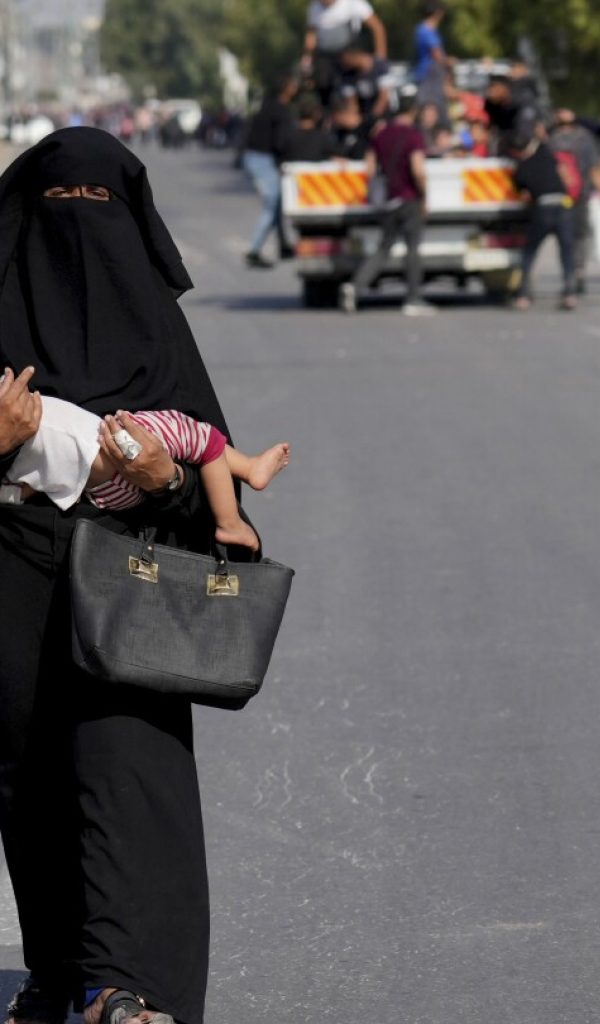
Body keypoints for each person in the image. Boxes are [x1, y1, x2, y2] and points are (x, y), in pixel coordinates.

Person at [0, 127, 256, 1024]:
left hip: (130, 584)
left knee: (127, 774)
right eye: (58, 208)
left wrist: (168, 481)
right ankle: (62, 970)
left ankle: (127, 986)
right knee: (30, 788)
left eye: (97, 208)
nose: (80, 231)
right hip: (12, 579)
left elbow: (222, 496)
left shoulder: (159, 334)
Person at [1, 394, 290, 550]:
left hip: (102, 493)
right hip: (118, 449)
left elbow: (26, 487)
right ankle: (232, 518)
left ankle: (249, 474)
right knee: (206, 442)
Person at [341, 94, 435, 316]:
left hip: (387, 199)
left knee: (384, 248)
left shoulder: (381, 134)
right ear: (413, 111)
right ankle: (413, 298)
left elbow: (370, 168)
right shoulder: (413, 136)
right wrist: (424, 196)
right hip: (409, 198)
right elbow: (418, 170)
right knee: (412, 249)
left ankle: (355, 286)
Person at [509, 133, 576, 311]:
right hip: (563, 206)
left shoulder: (522, 169)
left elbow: (525, 196)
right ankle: (570, 293)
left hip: (543, 208)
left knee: (529, 251)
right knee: (567, 252)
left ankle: (523, 294)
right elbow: (564, 173)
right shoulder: (546, 153)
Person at [241, 74, 298, 269]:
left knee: (277, 202)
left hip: (255, 157)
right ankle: (254, 250)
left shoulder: (267, 105)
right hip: (261, 159)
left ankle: (283, 244)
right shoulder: (280, 111)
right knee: (272, 204)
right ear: (286, 88)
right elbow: (281, 141)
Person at [549, 110, 600, 294]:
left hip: (560, 196)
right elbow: (595, 165)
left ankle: (569, 274)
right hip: (581, 192)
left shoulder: (552, 139)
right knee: (580, 235)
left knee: (565, 237)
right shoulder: (584, 138)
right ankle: (579, 271)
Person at [301, 0, 388, 108]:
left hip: (351, 55)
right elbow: (311, 34)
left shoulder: (353, 3)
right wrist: (307, 58)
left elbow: (377, 28)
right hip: (327, 59)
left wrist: (380, 57)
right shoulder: (314, 7)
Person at [414, 2, 452, 118]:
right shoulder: (427, 31)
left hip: (426, 73)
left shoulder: (421, 29)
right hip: (430, 74)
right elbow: (437, 54)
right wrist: (449, 61)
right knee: (432, 108)